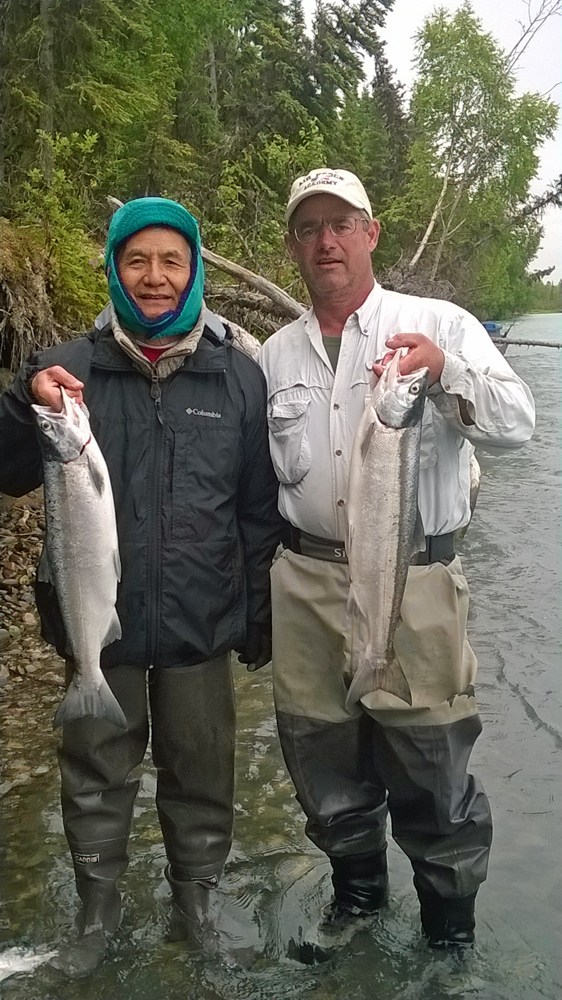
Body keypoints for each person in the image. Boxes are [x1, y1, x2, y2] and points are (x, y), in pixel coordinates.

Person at [0, 197, 281, 975]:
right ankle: (96, 912)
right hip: (99, 622)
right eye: (137, 261)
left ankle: (197, 903)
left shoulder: (238, 377)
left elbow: (258, 511)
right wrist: (26, 405)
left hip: (201, 623)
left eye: (171, 261)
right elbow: (10, 469)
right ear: (115, 269)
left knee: (203, 769)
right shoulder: (68, 369)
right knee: (95, 770)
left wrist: (257, 616)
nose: (154, 278)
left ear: (193, 271)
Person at [258, 168, 535, 951]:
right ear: (294, 246)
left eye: (341, 224)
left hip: (416, 581)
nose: (326, 241)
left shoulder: (436, 320)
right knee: (320, 758)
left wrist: (447, 371)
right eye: (309, 228)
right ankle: (358, 903)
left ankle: (448, 934)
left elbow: (518, 423)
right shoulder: (276, 353)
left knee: (431, 764)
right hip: (305, 581)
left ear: (371, 233)